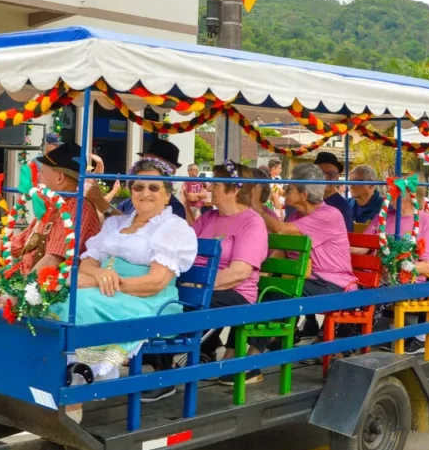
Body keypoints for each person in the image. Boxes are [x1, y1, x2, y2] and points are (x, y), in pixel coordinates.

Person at [50, 159, 199, 415]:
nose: (145, 193)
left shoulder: (172, 227)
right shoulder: (116, 224)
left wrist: (108, 283)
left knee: (77, 304)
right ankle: (46, 380)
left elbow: (156, 282)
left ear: (167, 195)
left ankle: (74, 395)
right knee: (52, 295)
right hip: (109, 291)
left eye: (154, 188)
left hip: (150, 301)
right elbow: (86, 264)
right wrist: (99, 276)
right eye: (138, 187)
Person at [0, 142, 102, 277]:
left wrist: (17, 296)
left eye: (43, 172)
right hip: (29, 285)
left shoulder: (76, 208)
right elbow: (14, 246)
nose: (38, 177)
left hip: (49, 295)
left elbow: (52, 260)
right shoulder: (53, 207)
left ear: (60, 178)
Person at [258, 164, 356, 347]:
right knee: (256, 290)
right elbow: (281, 252)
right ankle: (245, 353)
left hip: (334, 285)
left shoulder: (329, 215)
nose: (285, 191)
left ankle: (253, 362)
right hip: (308, 280)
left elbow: (279, 229)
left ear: (304, 194)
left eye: (290, 188)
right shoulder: (294, 216)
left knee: (277, 294)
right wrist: (260, 275)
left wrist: (257, 208)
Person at [191, 162, 270, 384]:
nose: (209, 188)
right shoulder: (209, 217)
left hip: (235, 293)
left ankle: (167, 370)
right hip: (201, 286)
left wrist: (199, 285)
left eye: (215, 184)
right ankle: (162, 364)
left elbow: (239, 272)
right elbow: (184, 245)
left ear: (234, 190)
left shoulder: (252, 223)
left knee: (180, 303)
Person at [383, 176, 429, 354]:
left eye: (393, 190)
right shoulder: (386, 216)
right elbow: (364, 247)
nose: (388, 193)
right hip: (380, 275)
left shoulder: (426, 221)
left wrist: (398, 268)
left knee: (371, 292)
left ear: (407, 195)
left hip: (409, 279)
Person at [86, 139, 189, 220]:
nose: (144, 168)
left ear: (170, 172)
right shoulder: (130, 201)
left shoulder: (175, 208)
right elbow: (112, 224)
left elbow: (135, 233)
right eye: (142, 163)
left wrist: (100, 202)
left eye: (152, 164)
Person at [313, 152, 354, 232]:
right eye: (320, 174)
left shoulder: (343, 207)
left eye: (331, 174)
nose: (325, 178)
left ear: (337, 177)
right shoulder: (304, 200)